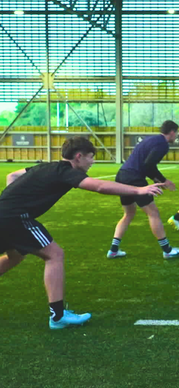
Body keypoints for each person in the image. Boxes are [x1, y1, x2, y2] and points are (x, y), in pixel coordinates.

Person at [0, 137, 164, 329]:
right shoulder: (66, 172)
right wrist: (139, 190)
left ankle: (58, 315)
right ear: (78, 157)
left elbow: (12, 176)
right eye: (90, 157)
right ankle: (58, 316)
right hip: (16, 218)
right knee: (54, 255)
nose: (92, 162)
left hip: (5, 214)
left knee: (15, 256)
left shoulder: (46, 167)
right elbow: (100, 186)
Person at [107, 120, 179, 260]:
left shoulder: (151, 139)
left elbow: (146, 164)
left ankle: (113, 250)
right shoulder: (163, 144)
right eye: (177, 133)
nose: (176, 136)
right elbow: (149, 164)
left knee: (129, 214)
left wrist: (157, 179)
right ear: (172, 132)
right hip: (134, 178)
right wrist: (163, 180)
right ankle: (167, 250)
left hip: (122, 175)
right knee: (153, 213)